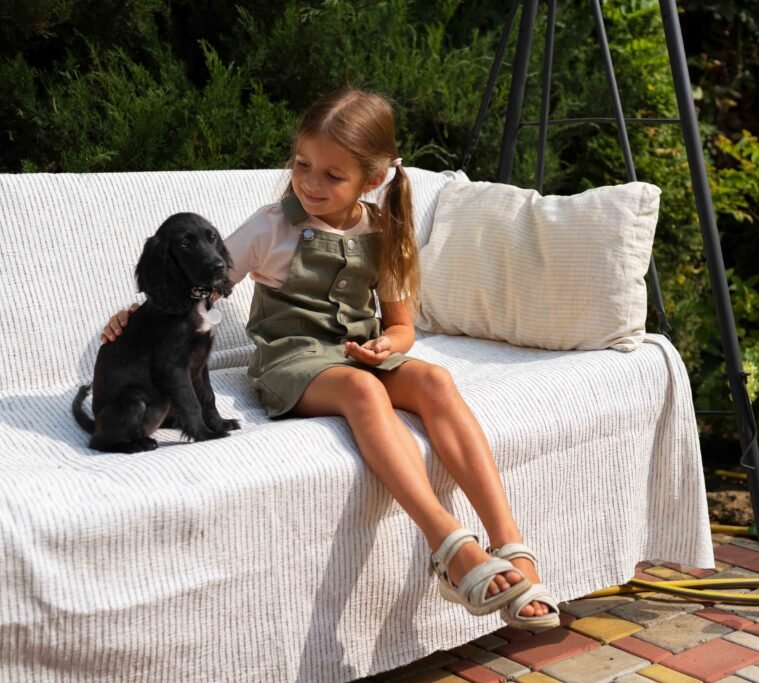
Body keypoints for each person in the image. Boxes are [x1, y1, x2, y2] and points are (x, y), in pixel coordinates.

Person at [100, 88, 558, 630]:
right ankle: (450, 547)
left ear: (372, 179)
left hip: (357, 355)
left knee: (435, 379)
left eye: (332, 176)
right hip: (291, 363)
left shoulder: (384, 231)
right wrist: (132, 317)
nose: (311, 183)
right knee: (363, 391)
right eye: (302, 165)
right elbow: (198, 279)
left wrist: (391, 345)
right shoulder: (271, 226)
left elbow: (403, 325)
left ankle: (513, 546)